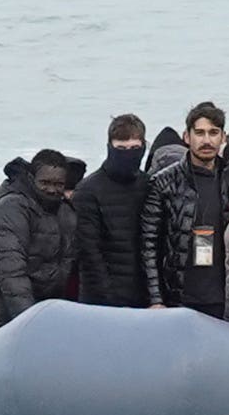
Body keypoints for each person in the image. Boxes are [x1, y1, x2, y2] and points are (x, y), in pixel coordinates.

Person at [150, 101, 229, 316]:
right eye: (199, 133)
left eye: (213, 133)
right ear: (187, 137)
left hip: (224, 295)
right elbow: (149, 245)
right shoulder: (164, 182)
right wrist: (155, 298)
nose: (206, 140)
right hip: (178, 296)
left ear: (224, 138)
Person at [0, 150, 75, 336]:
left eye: (58, 184)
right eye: (45, 183)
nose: (52, 190)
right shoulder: (12, 209)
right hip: (4, 321)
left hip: (46, 318)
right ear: (31, 178)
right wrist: (29, 323)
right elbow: (11, 273)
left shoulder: (65, 211)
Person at [67, 113, 161, 308]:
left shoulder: (149, 185)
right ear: (110, 147)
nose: (128, 153)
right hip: (101, 299)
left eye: (135, 148)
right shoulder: (87, 190)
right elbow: (89, 253)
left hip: (143, 294)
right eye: (121, 148)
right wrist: (109, 299)